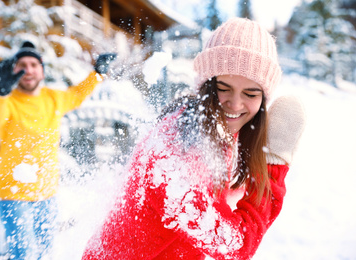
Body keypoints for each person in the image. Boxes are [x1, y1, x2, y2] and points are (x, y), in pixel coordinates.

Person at [81, 17, 306, 260]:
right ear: (207, 85)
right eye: (224, 88)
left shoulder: (211, 129)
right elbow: (233, 244)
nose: (236, 103)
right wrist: (273, 165)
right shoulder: (174, 156)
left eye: (250, 93)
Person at [0, 41, 116, 260]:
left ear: (42, 70)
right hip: (14, 195)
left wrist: (98, 73)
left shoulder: (53, 98)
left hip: (47, 193)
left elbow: (78, 94)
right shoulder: (8, 101)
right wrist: (0, 92)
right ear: (14, 71)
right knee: (24, 254)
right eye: (22, 64)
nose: (28, 69)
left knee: (45, 254)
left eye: (34, 64)